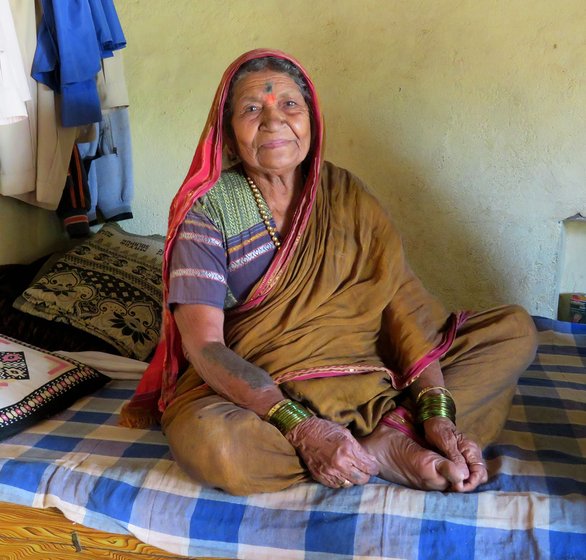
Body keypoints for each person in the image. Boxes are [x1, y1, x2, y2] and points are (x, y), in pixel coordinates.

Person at [120, 48, 537, 496]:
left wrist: (436, 414)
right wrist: (299, 426)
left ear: (311, 120)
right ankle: (373, 447)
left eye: (289, 105)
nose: (273, 121)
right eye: (251, 109)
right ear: (226, 132)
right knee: (220, 447)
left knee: (513, 331)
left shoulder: (348, 195)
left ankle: (394, 433)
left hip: (373, 377)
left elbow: (404, 310)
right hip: (269, 393)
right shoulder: (208, 210)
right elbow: (204, 347)